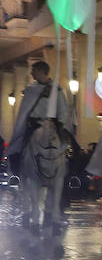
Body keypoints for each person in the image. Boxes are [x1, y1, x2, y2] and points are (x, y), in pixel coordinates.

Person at [6, 60, 75, 232]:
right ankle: (17, 173)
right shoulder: (30, 90)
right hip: (34, 127)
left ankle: (70, 182)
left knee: (73, 154)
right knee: (18, 150)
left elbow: (64, 111)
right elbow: (25, 112)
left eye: (34, 71)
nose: (32, 74)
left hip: (54, 127)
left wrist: (63, 127)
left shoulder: (57, 89)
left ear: (42, 71)